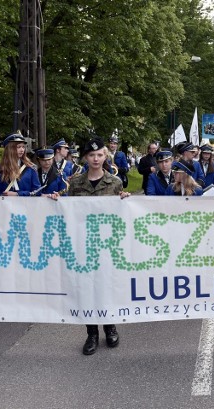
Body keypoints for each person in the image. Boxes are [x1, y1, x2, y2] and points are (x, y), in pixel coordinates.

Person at [49, 137, 130, 355]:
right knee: (86, 289)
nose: (96, 159)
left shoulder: (114, 183)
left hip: (106, 245)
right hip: (83, 245)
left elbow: (120, 214)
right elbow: (68, 208)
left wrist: (126, 201)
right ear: (86, 157)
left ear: (105, 157)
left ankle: (110, 326)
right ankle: (91, 333)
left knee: (105, 287)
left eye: (100, 155)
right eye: (92, 155)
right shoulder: (75, 183)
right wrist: (57, 199)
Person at [0, 132, 41, 196]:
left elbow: (37, 191)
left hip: (26, 204)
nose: (22, 150)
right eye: (18, 147)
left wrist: (18, 194)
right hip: (5, 205)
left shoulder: (31, 167)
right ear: (9, 149)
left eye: (23, 147)